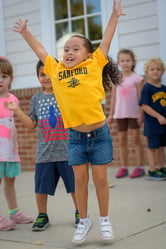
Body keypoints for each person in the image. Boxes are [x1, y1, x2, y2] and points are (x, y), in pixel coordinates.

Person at [12, 0, 125, 243]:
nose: (69, 53)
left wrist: (114, 15)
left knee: (101, 180)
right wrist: (25, 32)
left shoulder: (94, 64)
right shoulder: (57, 69)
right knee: (80, 182)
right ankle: (84, 220)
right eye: (66, 49)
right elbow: (41, 52)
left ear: (88, 53)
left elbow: (105, 40)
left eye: (75, 49)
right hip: (74, 137)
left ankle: (104, 219)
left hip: (99, 135)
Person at [5, 60, 79, 231]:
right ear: (38, 77)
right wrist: (17, 110)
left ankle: (80, 212)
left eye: (50, 73)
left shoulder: (66, 94)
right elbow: (31, 124)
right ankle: (42, 215)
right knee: (40, 187)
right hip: (44, 153)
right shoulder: (36, 99)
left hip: (67, 151)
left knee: (75, 185)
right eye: (42, 74)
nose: (46, 77)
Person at [0, 57, 33, 231]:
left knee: (10, 181)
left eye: (4, 76)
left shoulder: (13, 99)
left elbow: (12, 123)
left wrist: (17, 144)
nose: (0, 80)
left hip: (10, 148)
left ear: (11, 79)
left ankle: (14, 212)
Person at [107, 49, 145, 178]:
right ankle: (124, 167)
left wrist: (141, 113)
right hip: (120, 114)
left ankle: (139, 167)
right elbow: (113, 98)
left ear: (133, 62)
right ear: (118, 63)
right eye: (122, 61)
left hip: (134, 113)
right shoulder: (116, 79)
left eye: (128, 60)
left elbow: (141, 97)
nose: (125, 63)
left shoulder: (137, 79)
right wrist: (111, 114)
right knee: (122, 141)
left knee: (136, 140)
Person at [139, 58, 166, 180]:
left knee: (161, 147)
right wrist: (158, 116)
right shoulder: (147, 87)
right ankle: (152, 170)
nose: (155, 71)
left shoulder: (164, 88)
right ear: (147, 72)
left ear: (162, 72)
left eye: (158, 69)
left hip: (163, 124)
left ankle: (161, 167)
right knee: (152, 147)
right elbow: (144, 106)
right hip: (152, 124)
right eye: (152, 69)